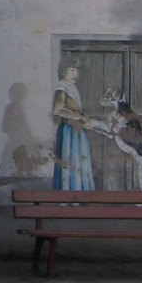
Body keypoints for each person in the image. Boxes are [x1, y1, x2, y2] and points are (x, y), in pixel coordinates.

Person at [51, 60, 94, 191]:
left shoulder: (72, 87)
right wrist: (76, 116)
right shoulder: (62, 87)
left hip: (77, 131)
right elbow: (57, 110)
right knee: (70, 159)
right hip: (69, 131)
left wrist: (85, 119)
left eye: (76, 70)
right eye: (72, 70)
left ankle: (81, 191)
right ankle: (70, 191)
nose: (75, 74)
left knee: (80, 160)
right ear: (64, 71)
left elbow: (77, 109)